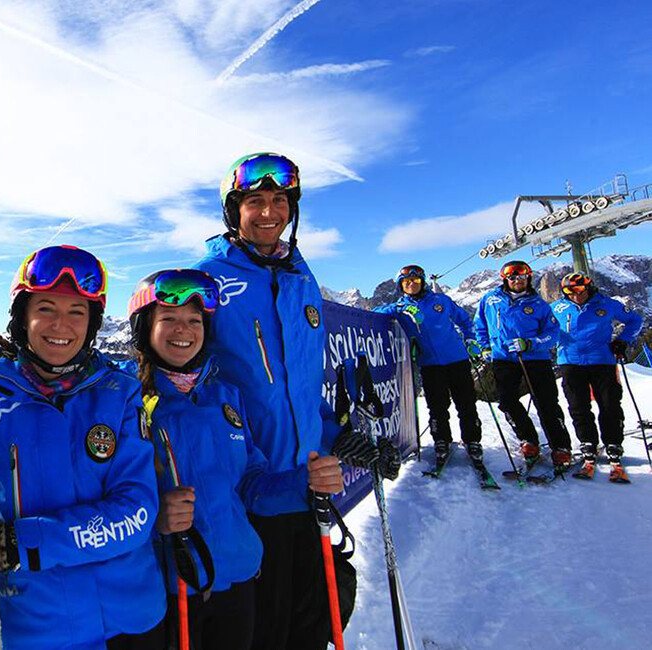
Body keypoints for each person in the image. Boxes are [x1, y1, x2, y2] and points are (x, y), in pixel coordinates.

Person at [193, 152, 397, 649]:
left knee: (309, 627)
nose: (269, 211)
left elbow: (300, 393)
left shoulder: (301, 277)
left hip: (306, 491)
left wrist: (342, 437)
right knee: (260, 631)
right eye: (255, 201)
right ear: (232, 212)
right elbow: (188, 382)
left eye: (279, 200)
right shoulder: (210, 279)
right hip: (250, 495)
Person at [0, 245, 166, 649]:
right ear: (21, 316)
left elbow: (137, 512)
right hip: (31, 627)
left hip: (132, 621)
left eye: (77, 312)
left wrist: (14, 544)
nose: (61, 325)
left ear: (92, 323)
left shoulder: (119, 395)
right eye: (45, 308)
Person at [127, 269, 345, 650]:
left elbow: (251, 484)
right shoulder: (126, 401)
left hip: (239, 577)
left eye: (195, 320)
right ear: (145, 326)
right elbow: (110, 495)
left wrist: (303, 483)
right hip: (173, 587)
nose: (184, 330)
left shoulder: (224, 394)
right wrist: (154, 516)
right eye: (169, 319)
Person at [375, 264, 484, 472]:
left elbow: (465, 320)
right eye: (406, 282)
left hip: (457, 360)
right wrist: (398, 309)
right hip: (430, 365)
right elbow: (374, 313)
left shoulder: (441, 301)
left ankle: (473, 441)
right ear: (401, 286)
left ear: (422, 282)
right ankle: (441, 440)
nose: (411, 284)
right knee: (437, 407)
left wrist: (471, 341)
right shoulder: (400, 308)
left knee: (466, 404)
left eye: (415, 281)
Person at [474, 260, 571, 469]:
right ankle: (528, 439)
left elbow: (552, 335)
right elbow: (480, 325)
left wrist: (531, 344)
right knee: (507, 401)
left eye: (521, 277)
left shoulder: (539, 305)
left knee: (546, 403)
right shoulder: (490, 299)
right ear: (505, 279)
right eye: (512, 277)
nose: (517, 281)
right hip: (503, 359)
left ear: (528, 278)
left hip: (535, 359)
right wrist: (485, 347)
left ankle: (561, 446)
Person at [551, 272, 645, 482]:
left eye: (580, 290)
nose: (576, 295)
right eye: (570, 292)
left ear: (589, 287)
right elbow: (543, 326)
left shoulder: (607, 304)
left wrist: (623, 341)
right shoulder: (557, 308)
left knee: (610, 404)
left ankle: (613, 444)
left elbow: (635, 320)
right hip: (570, 362)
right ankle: (588, 444)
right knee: (578, 407)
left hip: (602, 360)